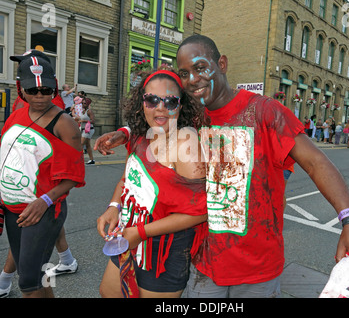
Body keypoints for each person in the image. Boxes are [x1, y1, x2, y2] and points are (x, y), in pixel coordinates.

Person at [94, 34, 349, 298]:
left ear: (222, 64)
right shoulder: (193, 118)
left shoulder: (266, 112)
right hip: (203, 265)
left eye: (201, 67)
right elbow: (156, 124)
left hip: (257, 270)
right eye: (185, 74)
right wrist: (124, 133)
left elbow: (316, 162)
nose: (193, 79)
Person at [97, 69, 207, 298]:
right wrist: (114, 206)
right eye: (152, 99)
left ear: (181, 106)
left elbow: (201, 212)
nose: (161, 107)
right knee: (108, 293)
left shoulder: (186, 144)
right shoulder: (140, 135)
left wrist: (141, 232)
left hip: (165, 251)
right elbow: (127, 180)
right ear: (141, 103)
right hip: (129, 235)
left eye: (171, 101)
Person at [1, 50, 85, 298]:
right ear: (21, 89)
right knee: (34, 275)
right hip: (12, 209)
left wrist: (45, 200)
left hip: (43, 211)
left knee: (28, 282)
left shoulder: (64, 124)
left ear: (55, 89)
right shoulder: (15, 116)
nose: (40, 96)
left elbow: (76, 175)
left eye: (47, 90)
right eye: (33, 90)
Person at [75, 97, 95, 164]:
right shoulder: (83, 111)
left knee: (80, 144)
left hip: (88, 130)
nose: (83, 105)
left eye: (85, 103)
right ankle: (92, 160)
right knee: (87, 145)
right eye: (82, 103)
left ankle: (77, 159)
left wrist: (84, 120)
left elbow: (93, 121)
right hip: (83, 129)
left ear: (88, 104)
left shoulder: (89, 111)